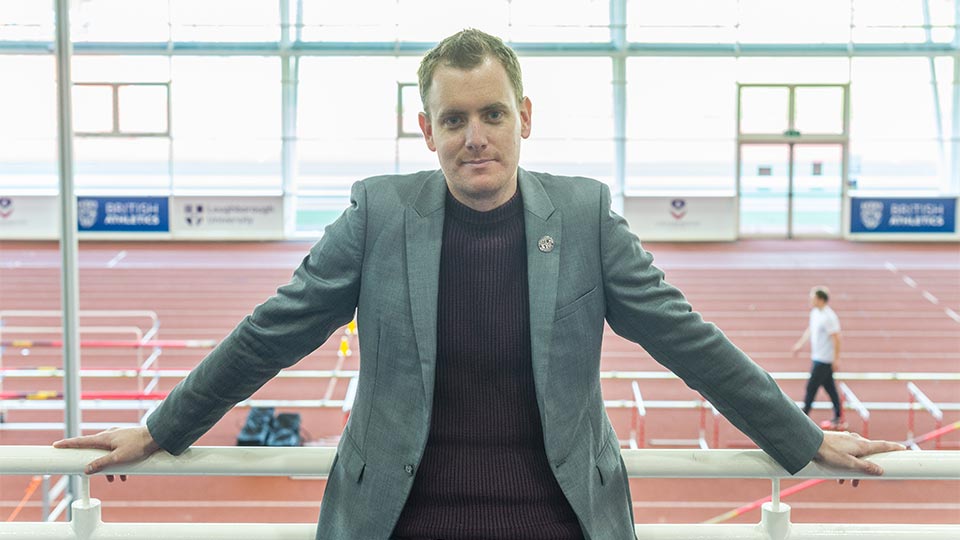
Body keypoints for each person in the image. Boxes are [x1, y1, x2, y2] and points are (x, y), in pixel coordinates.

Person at [55, 29, 904, 540]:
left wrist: (800, 438)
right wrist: (162, 426)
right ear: (424, 129)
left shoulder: (583, 218)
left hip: (555, 520)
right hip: (402, 520)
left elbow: (688, 340)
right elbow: (272, 331)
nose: (475, 137)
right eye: (454, 119)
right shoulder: (378, 215)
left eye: (492, 114)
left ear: (523, 118)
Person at [793, 286, 844, 429]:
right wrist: (800, 344)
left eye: (812, 297)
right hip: (818, 357)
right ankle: (839, 417)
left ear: (821, 299)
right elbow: (810, 329)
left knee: (811, 387)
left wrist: (836, 359)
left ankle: (803, 417)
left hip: (824, 359)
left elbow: (837, 338)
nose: (810, 300)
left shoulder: (829, 317)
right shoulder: (815, 312)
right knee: (830, 388)